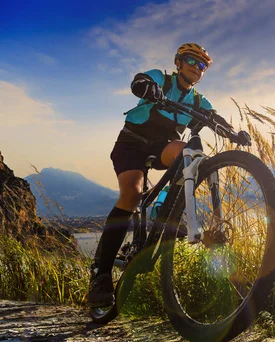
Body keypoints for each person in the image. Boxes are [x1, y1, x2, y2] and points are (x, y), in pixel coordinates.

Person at [87, 43, 232, 307]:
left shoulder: (199, 100)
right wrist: (146, 87)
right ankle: (101, 273)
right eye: (190, 60)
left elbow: (215, 117)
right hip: (132, 142)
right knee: (132, 192)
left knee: (187, 153)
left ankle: (168, 213)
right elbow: (139, 81)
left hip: (162, 146)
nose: (196, 67)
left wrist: (232, 132)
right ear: (178, 63)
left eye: (202, 65)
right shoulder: (160, 79)